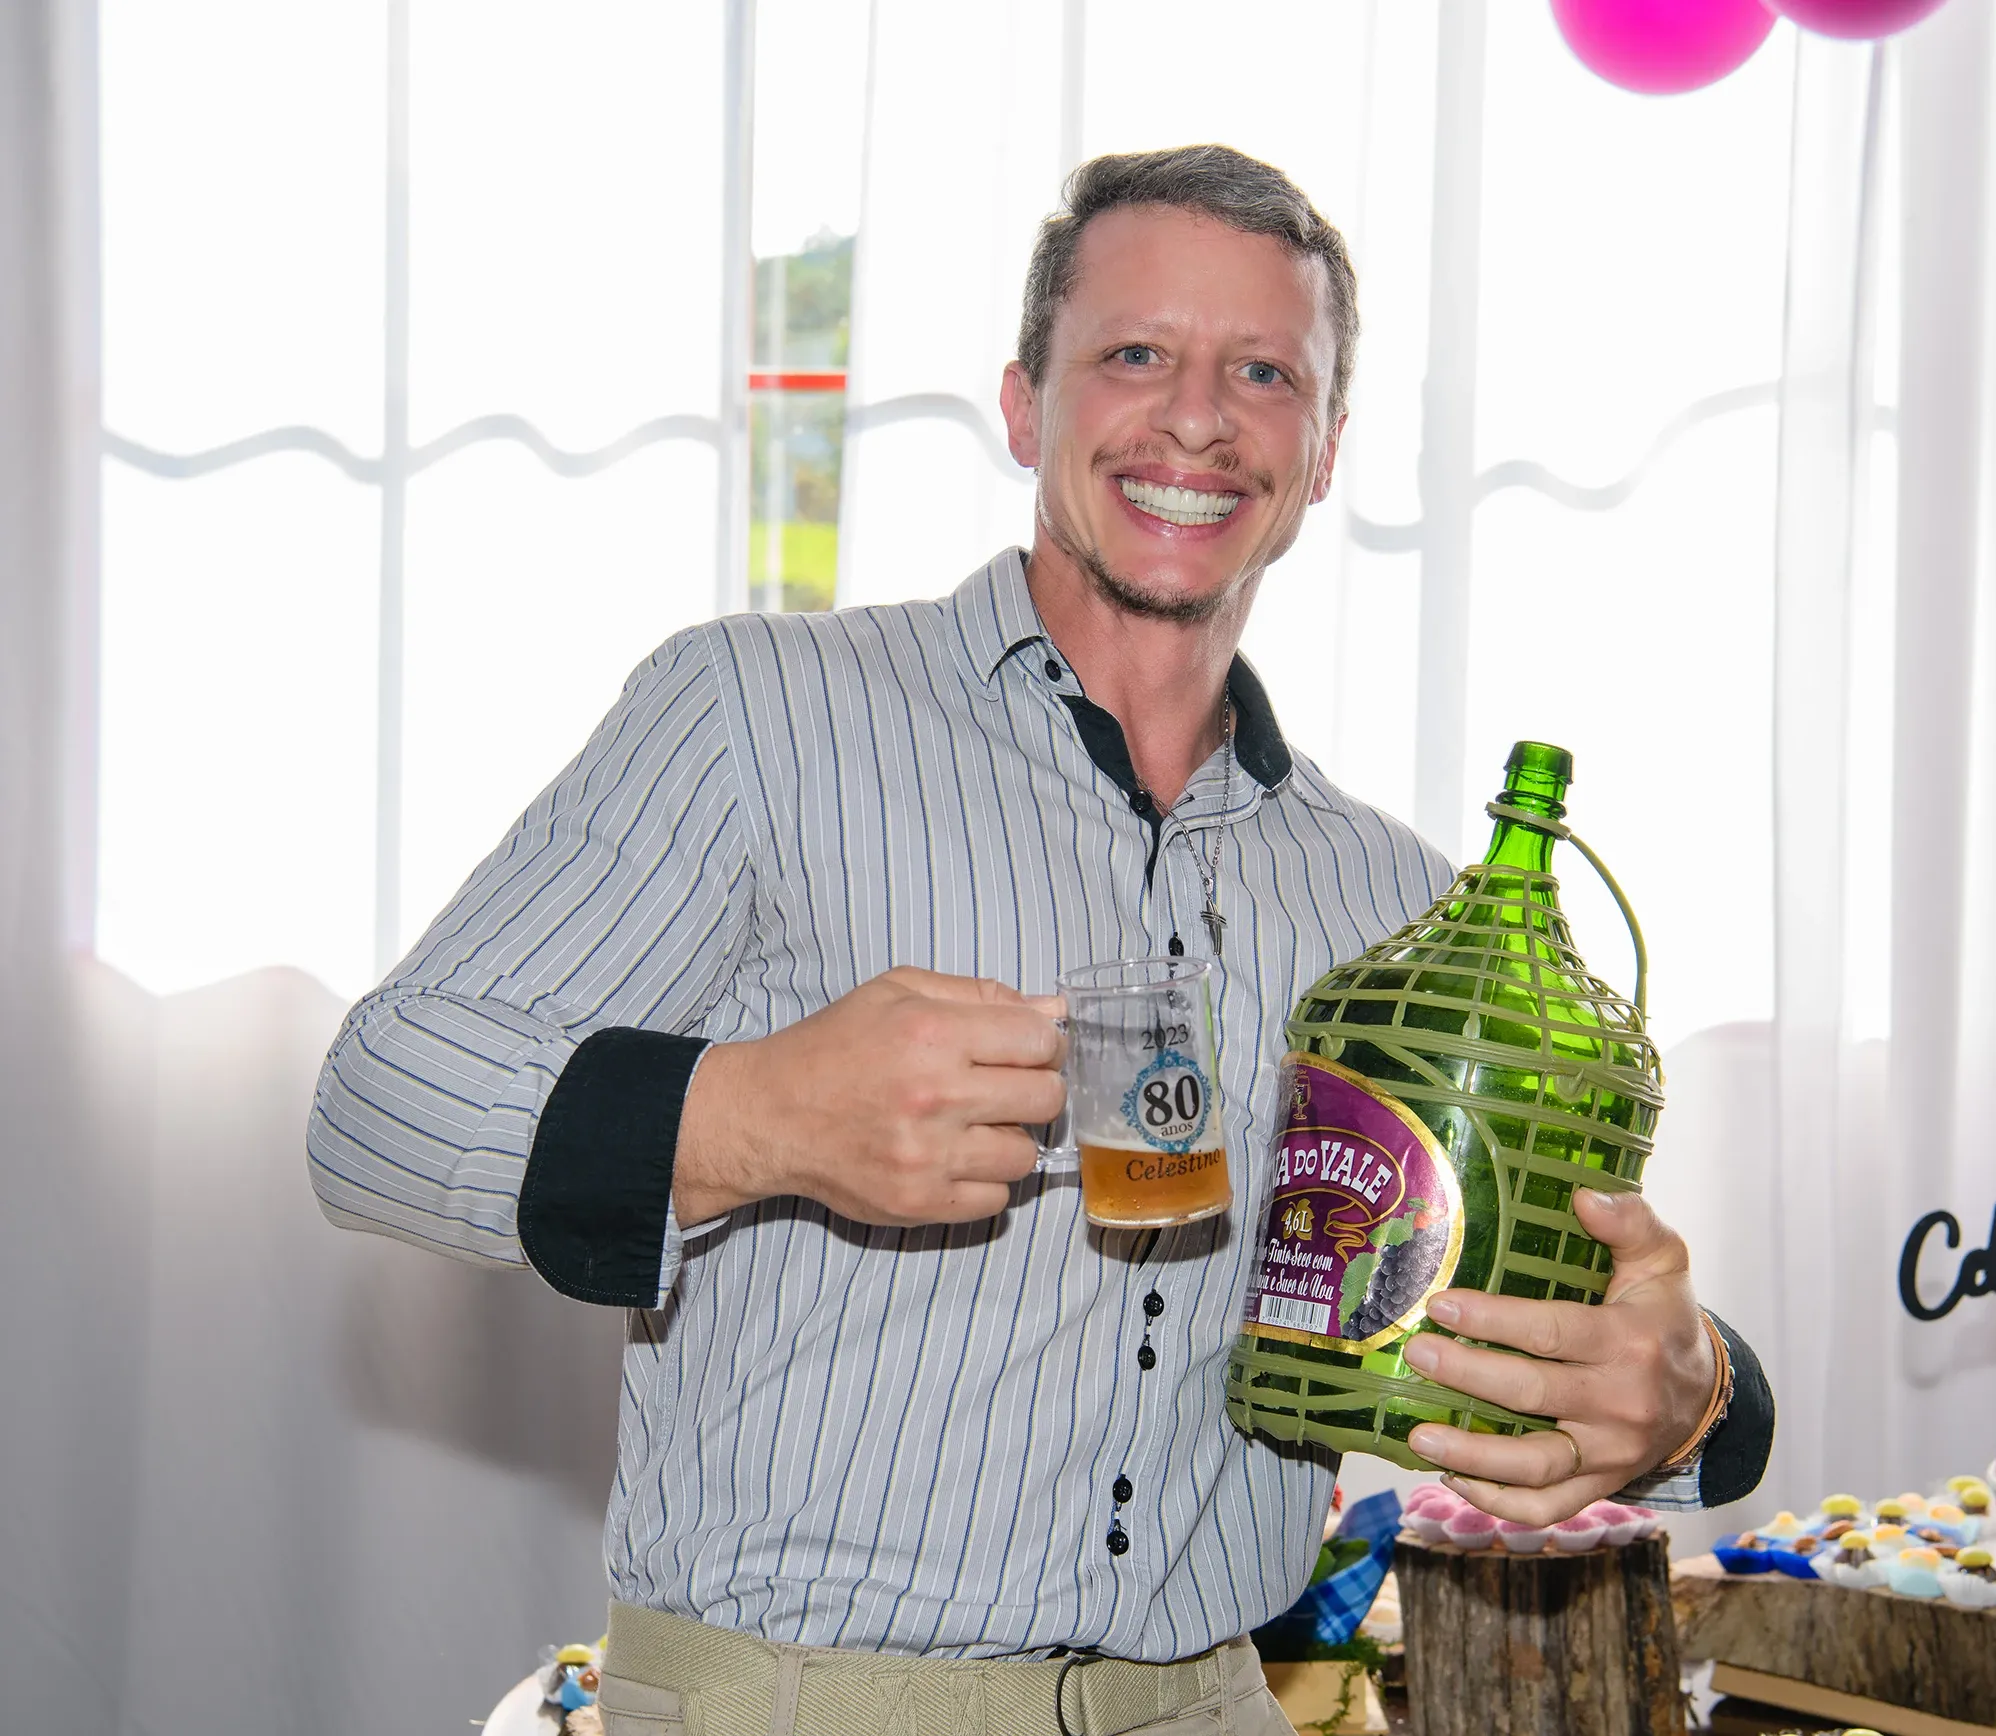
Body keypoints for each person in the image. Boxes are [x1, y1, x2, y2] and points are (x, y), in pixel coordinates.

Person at [309, 145, 1771, 1736]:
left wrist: (1687, 1385)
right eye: (1135, 353)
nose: (1197, 418)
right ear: (1022, 403)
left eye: (1262, 373)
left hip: (1214, 1703)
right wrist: (748, 1115)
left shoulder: (1392, 903)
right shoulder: (760, 712)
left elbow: (1551, 1300)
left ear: (1326, 448)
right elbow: (378, 1105)